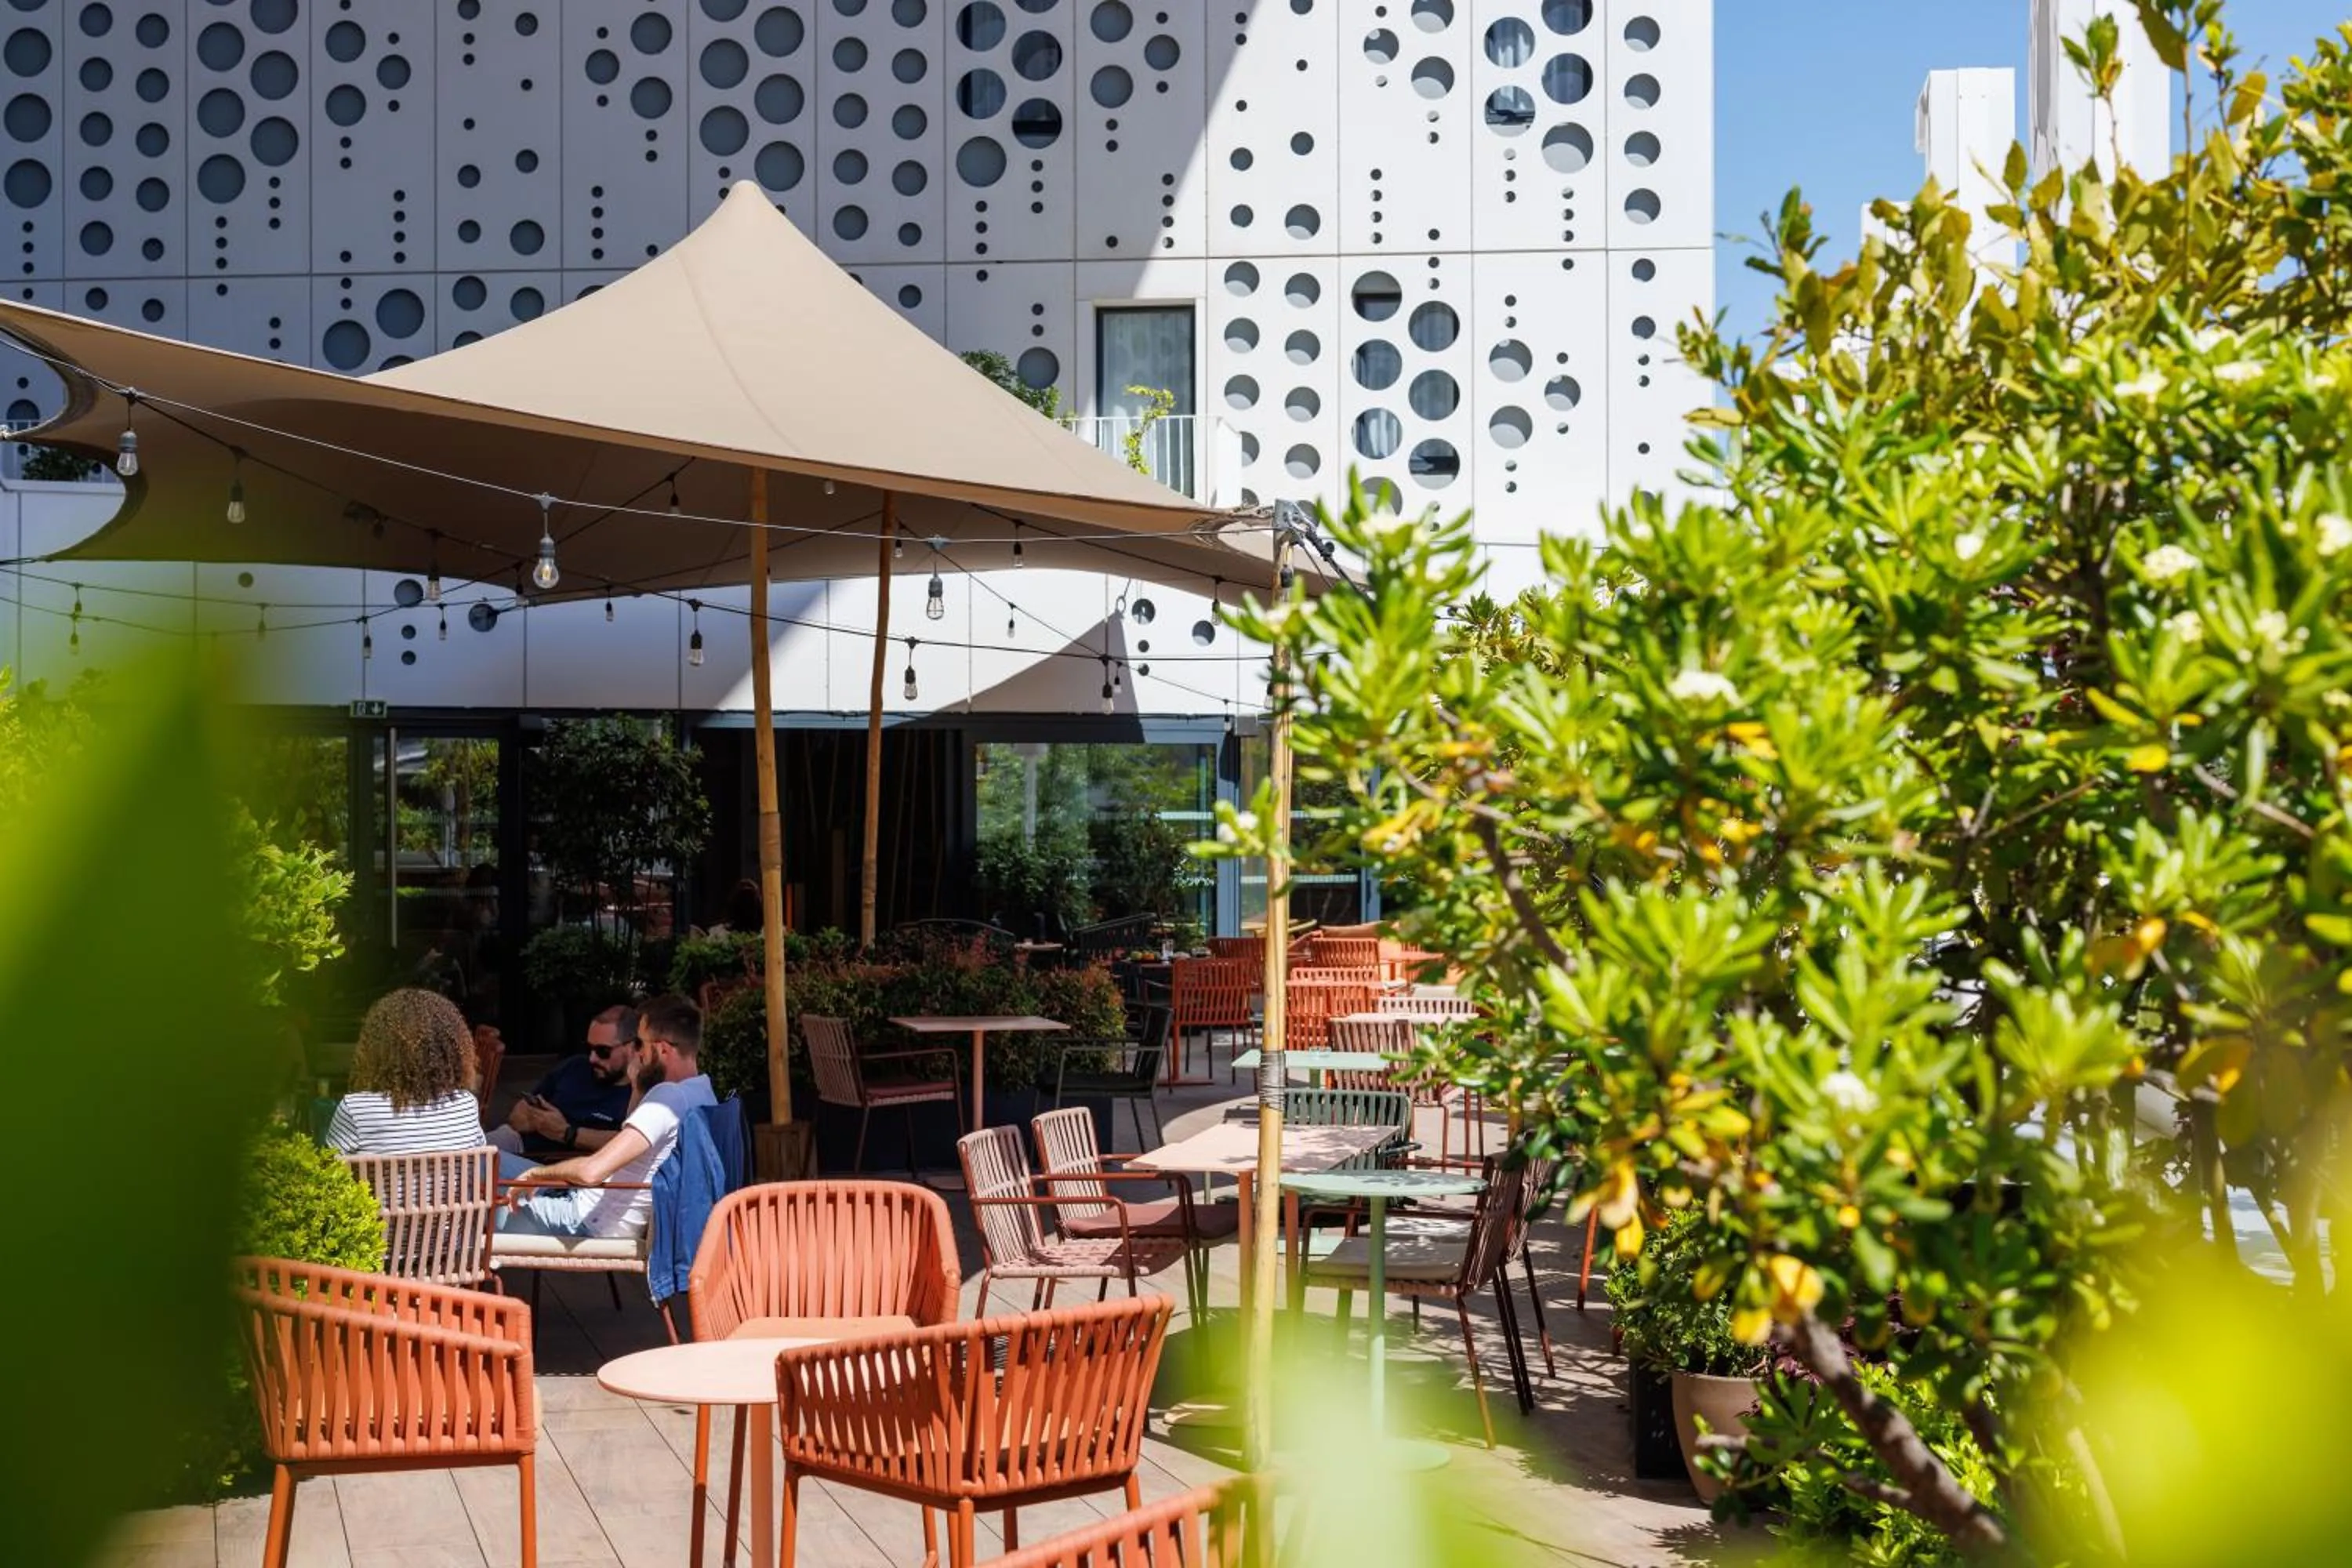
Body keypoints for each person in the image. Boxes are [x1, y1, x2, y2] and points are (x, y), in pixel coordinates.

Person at [500, 994, 714, 1239]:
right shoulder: (702, 1091)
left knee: (475, 1197)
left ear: (663, 1050)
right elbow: (635, 1146)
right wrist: (637, 1084)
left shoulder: (668, 1100)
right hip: (591, 1201)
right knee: (482, 1161)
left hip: (584, 1218)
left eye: (641, 1045)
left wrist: (536, 1175)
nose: (638, 1054)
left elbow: (591, 1172)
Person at [325, 989, 485, 1156]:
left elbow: (327, 1171)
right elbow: (477, 1163)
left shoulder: (355, 1110)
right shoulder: (466, 1105)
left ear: (376, 1049)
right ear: (450, 1049)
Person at [488, 1003, 638, 1161]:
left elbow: (627, 1145)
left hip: (557, 1165)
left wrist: (565, 1132)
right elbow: (519, 1114)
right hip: (520, 1142)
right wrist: (535, 1121)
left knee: (476, 1168)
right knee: (465, 1153)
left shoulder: (638, 1093)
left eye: (603, 1051)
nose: (592, 1058)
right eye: (589, 1049)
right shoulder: (574, 1067)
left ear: (633, 1047)